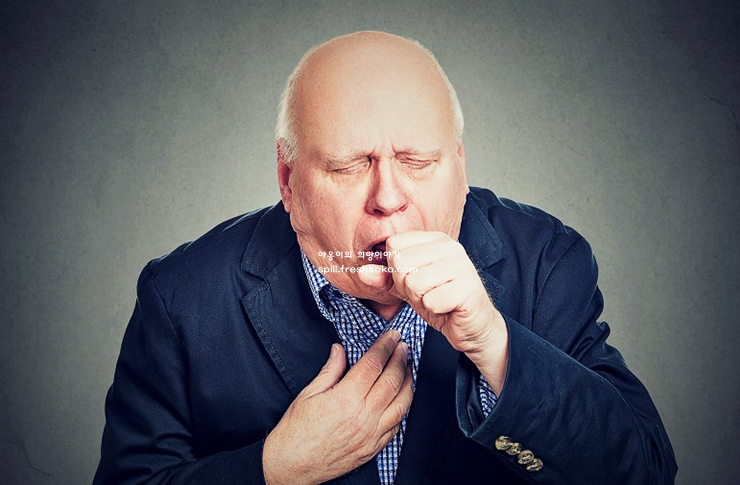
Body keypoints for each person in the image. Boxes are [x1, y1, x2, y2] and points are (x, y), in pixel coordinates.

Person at [93, 31, 677, 485]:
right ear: (289, 181)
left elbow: (645, 472)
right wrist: (273, 469)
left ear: (460, 169)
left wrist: (497, 347)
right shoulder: (182, 298)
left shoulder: (547, 263)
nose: (389, 198)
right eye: (350, 166)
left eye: (417, 162)